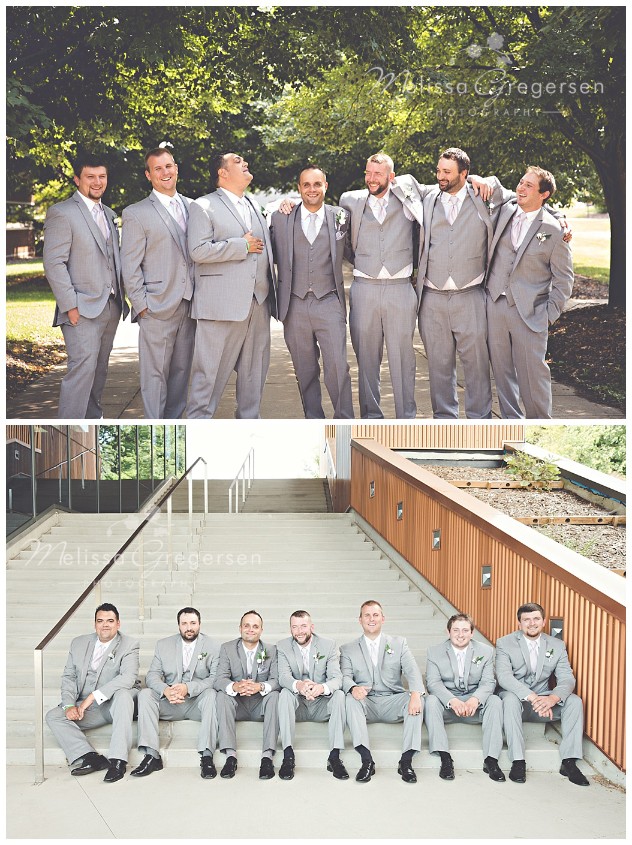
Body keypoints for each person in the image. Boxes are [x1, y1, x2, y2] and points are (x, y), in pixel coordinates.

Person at [417, 147, 514, 420]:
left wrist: (561, 220)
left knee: (476, 365)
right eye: (438, 170)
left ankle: (479, 420)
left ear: (464, 173)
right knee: (439, 366)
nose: (440, 176)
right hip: (432, 297)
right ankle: (444, 420)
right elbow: (398, 182)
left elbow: (527, 200)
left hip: (470, 295)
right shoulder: (428, 197)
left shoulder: (484, 196)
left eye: (447, 172)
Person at [186, 152, 278, 418]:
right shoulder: (203, 206)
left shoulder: (253, 204)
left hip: (258, 304)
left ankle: (249, 427)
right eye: (237, 161)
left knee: (254, 380)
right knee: (209, 379)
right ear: (222, 173)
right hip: (220, 307)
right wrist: (241, 246)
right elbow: (198, 250)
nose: (245, 162)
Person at [339, 153, 425, 419]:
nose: (371, 178)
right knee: (366, 359)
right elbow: (340, 239)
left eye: (377, 173)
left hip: (400, 287)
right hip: (364, 287)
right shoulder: (349, 201)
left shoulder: (409, 198)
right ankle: (371, 417)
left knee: (403, 359)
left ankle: (406, 418)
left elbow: (446, 188)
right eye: (368, 173)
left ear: (391, 176)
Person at [43, 155, 128, 418]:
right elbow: (54, 263)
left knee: (99, 371)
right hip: (80, 308)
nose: (97, 182)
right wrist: (70, 306)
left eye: (102, 176)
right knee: (81, 370)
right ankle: (70, 425)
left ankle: (93, 420)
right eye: (90, 177)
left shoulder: (110, 214)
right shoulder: (62, 212)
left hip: (110, 307)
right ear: (77, 179)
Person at [485, 167, 574, 418]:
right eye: (521, 182)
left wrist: (547, 316)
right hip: (495, 305)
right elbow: (490, 186)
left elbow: (564, 280)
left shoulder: (554, 230)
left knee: (533, 378)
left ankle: (539, 423)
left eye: (529, 186)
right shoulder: (505, 210)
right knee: (502, 375)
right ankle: (511, 423)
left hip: (531, 313)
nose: (521, 188)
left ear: (544, 194)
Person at [270, 165, 354, 418]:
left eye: (317, 184)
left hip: (329, 301)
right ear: (299, 188)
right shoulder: (282, 218)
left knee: (337, 367)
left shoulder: (341, 216)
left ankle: (344, 421)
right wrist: (280, 202)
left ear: (325, 186)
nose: (312, 189)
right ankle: (314, 420)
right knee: (304, 370)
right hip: (294, 305)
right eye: (306, 185)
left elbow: (353, 251)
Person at [121, 147, 196, 419]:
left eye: (169, 166)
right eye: (158, 168)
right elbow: (129, 265)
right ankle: (155, 426)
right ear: (148, 175)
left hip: (190, 305)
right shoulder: (136, 213)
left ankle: (174, 425)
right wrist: (141, 306)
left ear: (176, 168)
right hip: (155, 306)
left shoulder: (194, 207)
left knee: (181, 373)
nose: (165, 172)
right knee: (155, 376)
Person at [495, 602, 589, 786]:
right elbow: (504, 677)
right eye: (526, 620)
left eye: (536, 619)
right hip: (517, 700)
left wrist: (553, 698)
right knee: (509, 699)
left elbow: (567, 678)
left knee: (574, 701)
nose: (532, 623)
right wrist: (533, 697)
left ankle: (569, 762)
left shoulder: (557, 645)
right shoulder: (504, 643)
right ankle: (518, 761)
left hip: (546, 702)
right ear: (519, 623)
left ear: (544, 621)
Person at [45, 603, 139, 783]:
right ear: (95, 623)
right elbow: (69, 677)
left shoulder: (129, 644)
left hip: (113, 703)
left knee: (123, 695)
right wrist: (69, 705)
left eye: (110, 621)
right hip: (87, 707)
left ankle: (118, 761)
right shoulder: (79, 643)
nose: (105, 625)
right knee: (53, 716)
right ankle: (90, 757)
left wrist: (92, 697)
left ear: (118, 623)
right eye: (100, 621)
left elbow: (128, 678)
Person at [340, 600, 424, 783]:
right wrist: (353, 688)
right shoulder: (347, 649)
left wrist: (416, 694)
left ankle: (406, 762)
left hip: (392, 699)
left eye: (375, 615)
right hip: (366, 702)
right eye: (367, 615)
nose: (371, 619)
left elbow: (412, 671)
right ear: (360, 620)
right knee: (349, 699)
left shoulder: (399, 643)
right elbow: (344, 677)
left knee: (417, 699)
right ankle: (366, 761)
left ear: (383, 619)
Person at [131, 607, 220, 779]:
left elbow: (215, 678)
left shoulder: (213, 646)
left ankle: (207, 755)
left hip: (197, 703)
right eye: (184, 623)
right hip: (170, 702)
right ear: (178, 625)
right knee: (145, 694)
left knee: (211, 694)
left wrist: (188, 688)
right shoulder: (163, 645)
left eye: (193, 623)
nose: (189, 628)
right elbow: (152, 675)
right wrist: (166, 690)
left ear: (200, 624)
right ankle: (152, 756)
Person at [424, 613, 505, 782]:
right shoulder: (434, 652)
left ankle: (491, 760)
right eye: (456, 630)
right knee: (430, 701)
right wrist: (452, 700)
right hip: (448, 704)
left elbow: (488, 682)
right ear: (448, 632)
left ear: (472, 633)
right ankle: (445, 758)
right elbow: (433, 683)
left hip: (473, 705)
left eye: (465, 630)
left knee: (495, 701)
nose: (460, 635)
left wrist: (475, 699)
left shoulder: (486, 651)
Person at [276, 610, 348, 780]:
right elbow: (283, 677)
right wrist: (299, 685)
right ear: (290, 629)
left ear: (312, 627)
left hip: (320, 703)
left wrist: (321, 688)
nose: (299, 631)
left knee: (339, 695)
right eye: (295, 627)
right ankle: (288, 755)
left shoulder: (328, 645)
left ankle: (335, 756)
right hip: (298, 705)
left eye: (303, 626)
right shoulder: (282, 646)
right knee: (285, 693)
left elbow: (337, 678)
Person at [214, 610, 280, 779]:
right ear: (240, 628)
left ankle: (267, 757)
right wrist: (235, 686)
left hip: (260, 705)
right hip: (238, 705)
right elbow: (219, 679)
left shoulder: (272, 650)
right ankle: (230, 756)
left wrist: (260, 686)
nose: (251, 629)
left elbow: (277, 680)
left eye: (255, 626)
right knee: (222, 695)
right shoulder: (227, 648)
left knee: (274, 696)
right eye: (247, 625)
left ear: (261, 630)